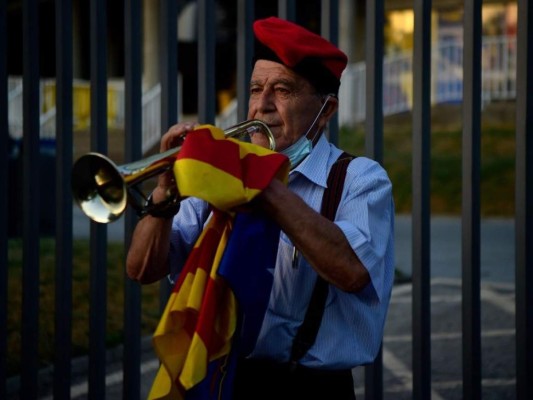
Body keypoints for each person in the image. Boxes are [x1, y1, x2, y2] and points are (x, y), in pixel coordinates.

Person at [127, 16, 395, 400]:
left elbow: (351, 271)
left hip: (310, 388)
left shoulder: (359, 179)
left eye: (282, 90)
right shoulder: (224, 173)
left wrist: (261, 180)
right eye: (255, 89)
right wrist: (165, 191)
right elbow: (141, 268)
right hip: (222, 377)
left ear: (327, 109)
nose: (262, 106)